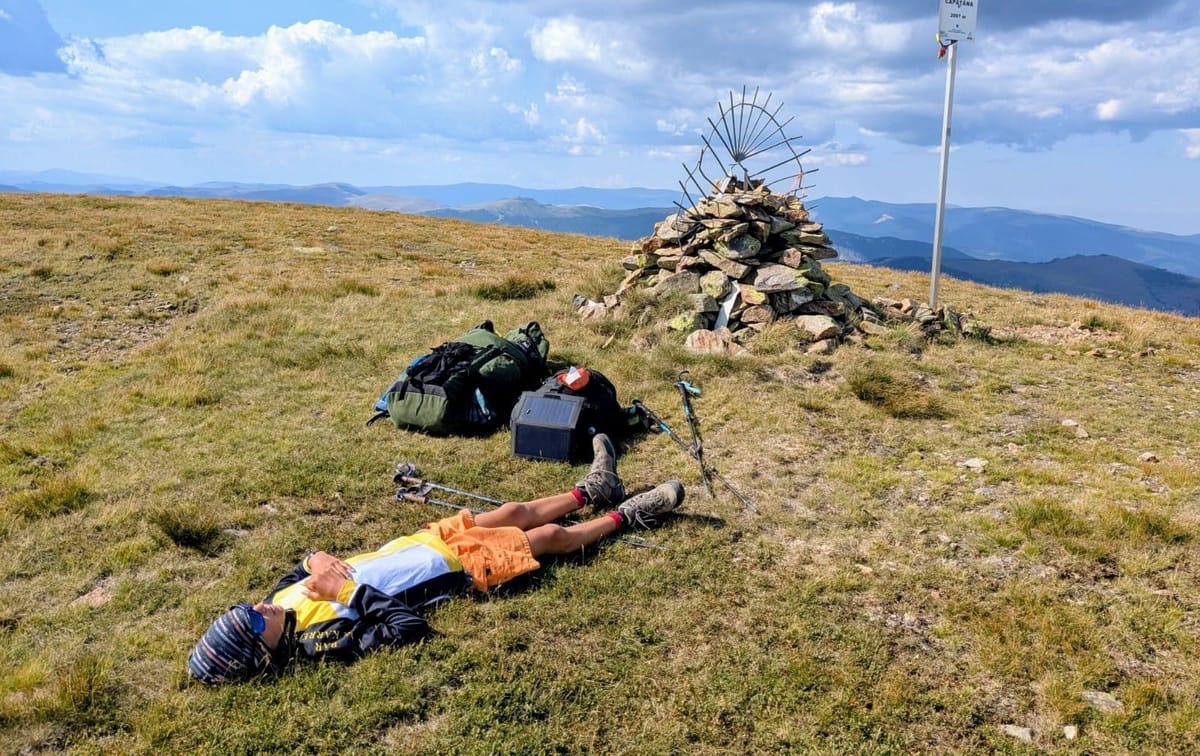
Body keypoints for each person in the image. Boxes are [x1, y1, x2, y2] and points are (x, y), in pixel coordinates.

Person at [187, 434, 684, 684]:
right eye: (252, 624)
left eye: (244, 608)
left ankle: (593, 488)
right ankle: (627, 515)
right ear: (262, 656)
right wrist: (344, 591)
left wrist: (316, 560)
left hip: (425, 541)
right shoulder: (320, 642)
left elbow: (303, 565)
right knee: (548, 535)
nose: (259, 609)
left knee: (515, 510)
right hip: (454, 571)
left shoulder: (277, 600)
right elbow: (408, 630)